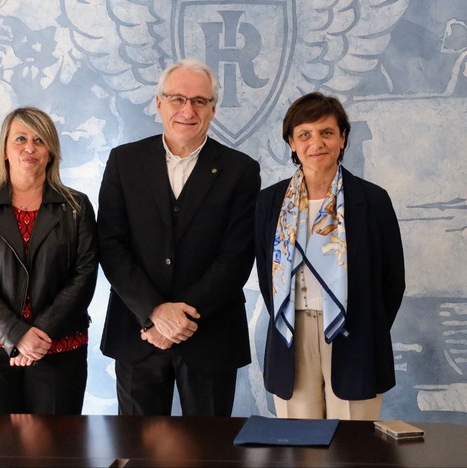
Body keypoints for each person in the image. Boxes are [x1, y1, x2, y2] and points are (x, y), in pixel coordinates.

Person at [98, 59, 261, 416]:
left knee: (209, 454)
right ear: (159, 103)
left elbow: (236, 258)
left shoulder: (241, 171)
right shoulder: (124, 162)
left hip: (210, 336)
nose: (188, 110)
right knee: (138, 453)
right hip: (138, 333)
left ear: (213, 109)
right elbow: (110, 244)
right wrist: (154, 312)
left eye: (199, 101)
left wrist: (177, 319)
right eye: (177, 99)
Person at [255, 92, 405, 420]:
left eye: (326, 132)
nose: (316, 143)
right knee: (300, 445)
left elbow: (393, 280)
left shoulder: (372, 200)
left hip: (356, 334)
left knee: (354, 445)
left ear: (342, 138)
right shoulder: (270, 202)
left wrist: (369, 328)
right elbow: (268, 278)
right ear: (292, 143)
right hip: (291, 334)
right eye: (304, 134)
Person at [0, 107, 98, 415]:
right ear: (5, 150)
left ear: (51, 152)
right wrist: (17, 334)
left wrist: (39, 335)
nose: (29, 148)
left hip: (60, 347)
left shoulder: (77, 207)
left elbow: (84, 274)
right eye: (20, 139)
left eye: (39, 140)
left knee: (55, 452)